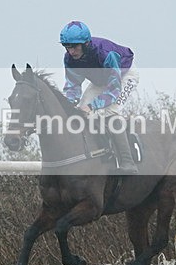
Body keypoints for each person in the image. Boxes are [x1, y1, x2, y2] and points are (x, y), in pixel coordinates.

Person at [60, 20, 140, 174]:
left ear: (86, 44)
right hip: (101, 80)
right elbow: (72, 86)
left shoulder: (105, 53)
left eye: (75, 46)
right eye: (67, 47)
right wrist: (69, 105)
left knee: (110, 112)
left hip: (124, 76)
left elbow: (113, 89)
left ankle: (127, 161)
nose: (71, 51)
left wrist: (92, 106)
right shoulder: (69, 59)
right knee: (80, 110)